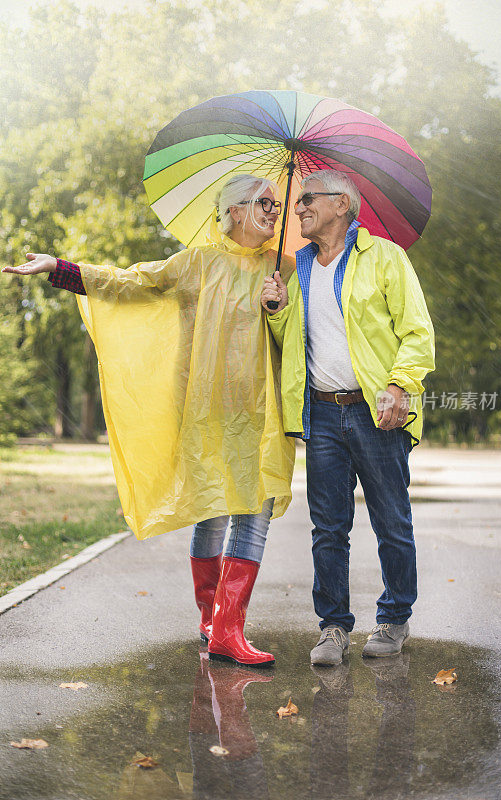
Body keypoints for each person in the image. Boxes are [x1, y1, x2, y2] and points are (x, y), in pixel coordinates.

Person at [3, 174, 295, 667]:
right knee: (212, 510)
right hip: (207, 411)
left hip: (263, 414)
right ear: (236, 211)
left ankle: (228, 628)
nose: (275, 210)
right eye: (265, 201)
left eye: (277, 203)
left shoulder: (284, 267)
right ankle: (211, 619)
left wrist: (281, 305)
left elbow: (302, 337)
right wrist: (62, 268)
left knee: (254, 516)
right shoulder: (197, 263)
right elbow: (131, 281)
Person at [260, 169, 435, 664]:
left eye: (307, 199)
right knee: (328, 528)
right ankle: (333, 627)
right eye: (298, 202)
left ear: (342, 205)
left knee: (391, 522)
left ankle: (395, 618)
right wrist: (276, 311)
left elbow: (417, 332)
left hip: (377, 413)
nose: (298, 208)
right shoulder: (300, 267)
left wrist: (401, 385)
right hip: (323, 413)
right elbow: (292, 346)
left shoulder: (384, 258)